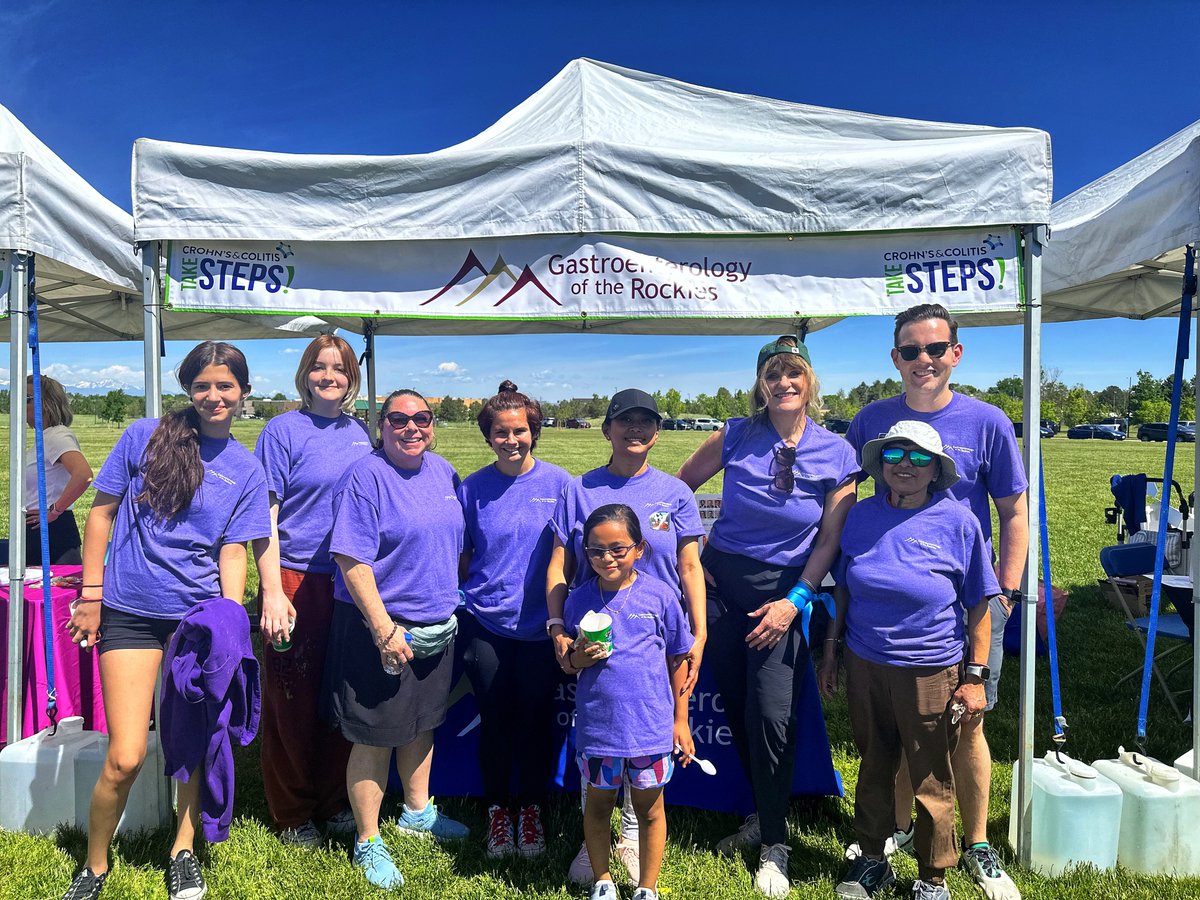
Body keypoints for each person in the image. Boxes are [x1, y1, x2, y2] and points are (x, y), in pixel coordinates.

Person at [62, 341, 271, 900]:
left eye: (225, 386)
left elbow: (233, 549)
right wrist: (91, 595)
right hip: (129, 614)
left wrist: (229, 618)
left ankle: (183, 851)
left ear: (243, 393)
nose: (213, 396)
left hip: (195, 623)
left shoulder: (246, 469)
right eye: (202, 385)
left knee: (193, 748)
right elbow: (101, 515)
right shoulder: (144, 436)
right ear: (188, 389)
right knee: (126, 756)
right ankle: (95, 866)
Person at [845, 304, 1027, 900]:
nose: (923, 359)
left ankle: (974, 843)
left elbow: (1013, 511)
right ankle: (898, 834)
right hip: (885, 609)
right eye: (910, 350)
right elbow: (843, 495)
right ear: (895, 357)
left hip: (966, 600)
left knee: (967, 725)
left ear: (956, 353)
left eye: (935, 348)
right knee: (895, 738)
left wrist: (1004, 591)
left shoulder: (988, 421)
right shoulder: (871, 419)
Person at [677, 337, 857, 898]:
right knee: (738, 707)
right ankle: (762, 814)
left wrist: (796, 600)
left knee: (773, 715)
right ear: (761, 384)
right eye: (773, 374)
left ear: (810, 381)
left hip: (783, 597)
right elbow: (678, 490)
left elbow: (829, 540)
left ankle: (775, 846)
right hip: (722, 591)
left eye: (794, 373)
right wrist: (694, 556)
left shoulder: (838, 452)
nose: (784, 383)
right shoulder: (734, 434)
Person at [821, 421, 997, 900]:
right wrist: (831, 651)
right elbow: (843, 589)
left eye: (920, 458)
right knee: (874, 764)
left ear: (936, 469)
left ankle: (933, 877)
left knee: (931, 775)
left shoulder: (960, 522)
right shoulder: (860, 516)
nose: (905, 465)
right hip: (865, 663)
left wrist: (975, 677)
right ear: (879, 463)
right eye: (895, 454)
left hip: (931, 669)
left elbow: (979, 605)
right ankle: (873, 860)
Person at [546, 388, 706, 886]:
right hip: (597, 629)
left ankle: (633, 839)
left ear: (657, 432)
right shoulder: (579, 489)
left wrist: (699, 630)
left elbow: (689, 566)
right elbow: (560, 564)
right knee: (602, 735)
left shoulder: (675, 492)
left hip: (657, 631)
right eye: (625, 421)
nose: (635, 430)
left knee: (647, 735)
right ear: (607, 429)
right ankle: (593, 847)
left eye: (646, 422)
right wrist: (556, 626)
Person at [323, 389, 469, 890]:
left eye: (422, 418)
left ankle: (416, 812)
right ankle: (367, 838)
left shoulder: (443, 471)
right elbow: (351, 559)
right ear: (380, 425)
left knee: (421, 724)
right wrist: (383, 629)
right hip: (381, 627)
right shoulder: (365, 476)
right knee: (374, 735)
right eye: (399, 419)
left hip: (434, 626)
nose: (412, 428)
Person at [253, 335, 371, 846]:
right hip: (295, 577)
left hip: (348, 580)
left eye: (340, 368)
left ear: (351, 378)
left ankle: (332, 797)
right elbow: (265, 515)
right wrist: (272, 590)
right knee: (292, 698)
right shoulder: (282, 431)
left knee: (339, 695)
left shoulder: (360, 433)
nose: (330, 376)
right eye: (320, 367)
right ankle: (292, 811)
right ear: (305, 374)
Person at [457, 380, 572, 858]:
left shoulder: (561, 484)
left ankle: (531, 809)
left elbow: (574, 556)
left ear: (534, 432)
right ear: (488, 436)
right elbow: (462, 556)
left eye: (520, 431)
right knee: (496, 718)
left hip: (542, 628)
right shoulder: (472, 488)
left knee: (536, 719)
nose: (511, 440)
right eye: (501, 432)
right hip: (485, 623)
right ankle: (498, 811)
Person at [564, 504, 694, 900]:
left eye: (618, 549)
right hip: (599, 727)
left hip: (649, 728)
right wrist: (578, 658)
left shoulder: (661, 596)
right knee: (598, 807)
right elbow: (569, 662)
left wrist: (681, 720)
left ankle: (647, 887)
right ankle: (603, 880)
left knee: (650, 811)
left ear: (639, 548)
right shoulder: (578, 599)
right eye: (596, 550)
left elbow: (678, 658)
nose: (607, 558)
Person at [21, 375, 93, 565]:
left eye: (26, 399)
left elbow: (83, 474)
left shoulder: (57, 436)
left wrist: (55, 510)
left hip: (53, 532)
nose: (19, 405)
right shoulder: (45, 437)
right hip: (39, 529)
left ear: (46, 404)